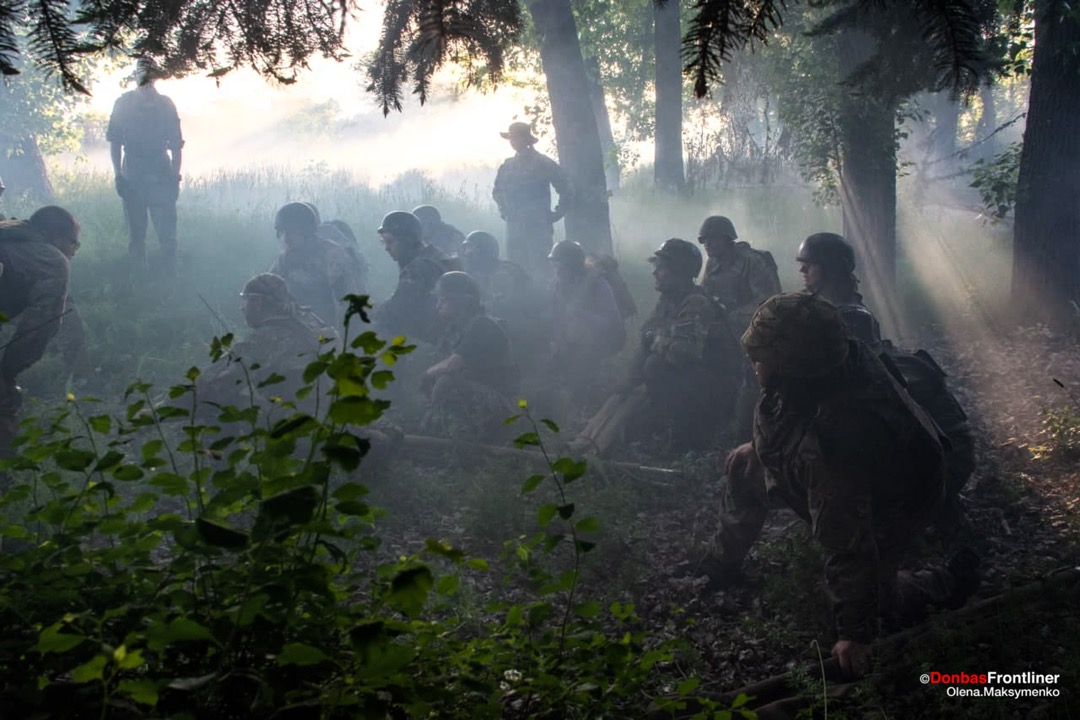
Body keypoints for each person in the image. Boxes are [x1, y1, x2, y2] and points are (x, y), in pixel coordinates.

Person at [698, 292, 979, 678]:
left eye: (762, 357)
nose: (753, 363)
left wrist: (854, 633)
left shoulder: (836, 440)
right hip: (850, 473)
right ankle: (719, 563)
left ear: (792, 365)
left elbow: (846, 539)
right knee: (744, 468)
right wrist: (759, 449)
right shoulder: (833, 360)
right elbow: (784, 412)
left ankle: (947, 580)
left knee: (875, 598)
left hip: (895, 500)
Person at [796, 231, 975, 507]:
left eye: (810, 263)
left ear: (829, 268)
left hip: (944, 464)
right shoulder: (843, 310)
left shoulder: (850, 318)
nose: (802, 270)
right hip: (934, 458)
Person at [570, 240, 742, 456]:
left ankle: (684, 437)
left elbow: (681, 353)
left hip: (712, 393)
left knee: (654, 366)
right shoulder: (668, 301)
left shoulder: (697, 303)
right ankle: (586, 440)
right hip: (685, 382)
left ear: (679, 271)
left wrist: (656, 340)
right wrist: (629, 381)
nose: (655, 273)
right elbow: (646, 338)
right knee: (627, 393)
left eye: (661, 268)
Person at [0, 206, 82, 455]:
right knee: (4, 404)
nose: (73, 253)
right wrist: (7, 371)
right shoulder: (51, 259)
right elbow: (40, 327)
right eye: (74, 245)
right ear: (57, 236)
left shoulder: (9, 234)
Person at [107, 57, 184, 274]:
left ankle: (170, 276)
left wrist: (174, 176)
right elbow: (115, 142)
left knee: (167, 232)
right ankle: (138, 277)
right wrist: (119, 175)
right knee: (136, 233)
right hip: (133, 171)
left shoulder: (166, 104)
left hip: (160, 170)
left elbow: (176, 145)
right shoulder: (123, 103)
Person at [420, 271, 517, 439]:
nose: (438, 306)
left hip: (501, 404)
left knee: (446, 380)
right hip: (480, 399)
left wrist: (427, 374)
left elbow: (452, 364)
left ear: (463, 301)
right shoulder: (457, 329)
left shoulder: (482, 325)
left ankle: (430, 428)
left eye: (444, 299)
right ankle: (444, 429)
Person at [547, 240, 625, 400]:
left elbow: (611, 322)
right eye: (554, 264)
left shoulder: (598, 284)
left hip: (605, 337)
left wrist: (581, 314)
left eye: (558, 265)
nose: (555, 269)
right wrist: (560, 346)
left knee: (580, 378)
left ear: (571, 266)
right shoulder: (557, 284)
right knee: (553, 370)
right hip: (574, 338)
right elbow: (556, 318)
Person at [492, 122, 572, 274]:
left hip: (538, 226)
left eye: (516, 137)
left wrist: (557, 213)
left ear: (526, 139)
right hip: (514, 225)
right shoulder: (507, 166)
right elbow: (497, 191)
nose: (512, 141)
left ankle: (545, 296)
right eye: (511, 138)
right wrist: (503, 209)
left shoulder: (542, 163)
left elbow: (565, 188)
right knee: (515, 267)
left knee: (541, 267)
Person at [269, 202, 359, 328]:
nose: (285, 238)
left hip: (328, 328)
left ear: (307, 230)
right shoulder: (285, 259)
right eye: (281, 232)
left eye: (291, 231)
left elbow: (345, 302)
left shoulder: (332, 256)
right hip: (296, 327)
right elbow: (268, 288)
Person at [374, 211, 450, 344]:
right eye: (384, 242)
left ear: (407, 240)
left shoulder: (421, 267)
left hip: (436, 343)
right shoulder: (434, 256)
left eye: (390, 241)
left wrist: (371, 309)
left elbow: (397, 310)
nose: (387, 248)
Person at [697, 215, 782, 332]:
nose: (707, 243)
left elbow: (769, 302)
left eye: (712, 238)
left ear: (726, 239)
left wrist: (732, 315)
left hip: (755, 330)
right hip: (725, 330)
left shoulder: (752, 261)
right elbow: (705, 294)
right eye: (703, 240)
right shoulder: (713, 263)